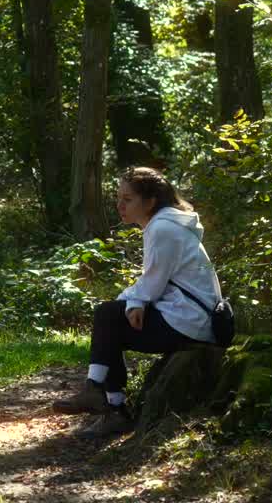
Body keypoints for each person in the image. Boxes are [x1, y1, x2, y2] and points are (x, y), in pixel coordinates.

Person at [53, 166, 223, 438]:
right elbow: (154, 281)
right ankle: (110, 404)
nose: (120, 205)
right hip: (185, 317)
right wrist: (133, 302)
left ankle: (101, 394)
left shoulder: (163, 229)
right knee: (111, 320)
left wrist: (133, 302)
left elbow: (153, 282)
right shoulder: (164, 225)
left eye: (128, 199)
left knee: (109, 316)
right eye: (118, 198)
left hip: (190, 322)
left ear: (150, 201)